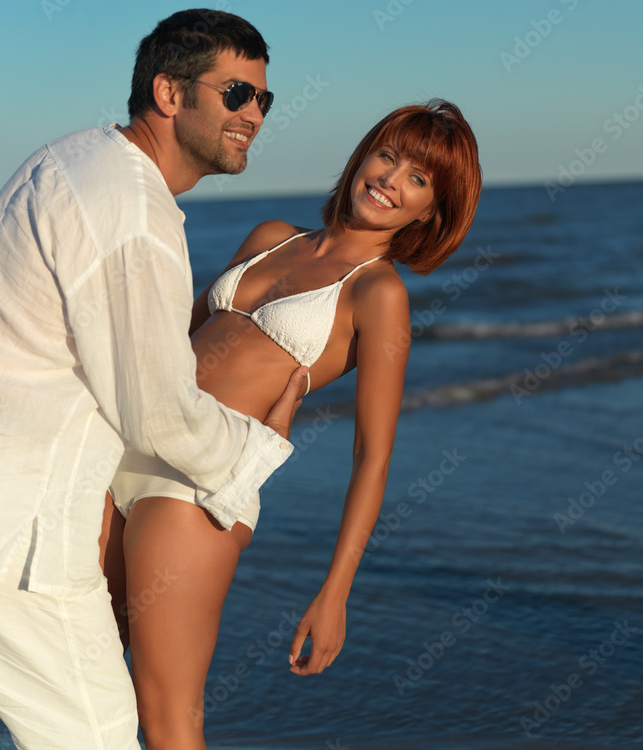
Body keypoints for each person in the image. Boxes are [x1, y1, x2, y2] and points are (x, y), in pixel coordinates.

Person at [0, 10, 308, 749]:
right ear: (169, 93)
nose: (254, 114)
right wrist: (254, 451)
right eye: (237, 92)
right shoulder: (134, 212)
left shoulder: (70, 157)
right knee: (99, 735)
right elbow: (156, 411)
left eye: (264, 100)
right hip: (0, 527)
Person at [100, 99, 482, 749]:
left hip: (198, 486)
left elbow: (373, 455)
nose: (391, 180)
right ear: (363, 155)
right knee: (83, 678)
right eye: (387, 156)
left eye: (418, 179)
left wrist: (335, 593)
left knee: (165, 713)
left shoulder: (377, 294)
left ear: (431, 213)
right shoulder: (270, 236)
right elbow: (168, 343)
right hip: (123, 454)